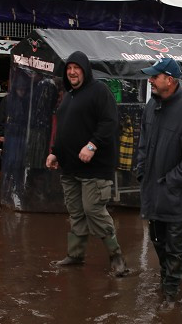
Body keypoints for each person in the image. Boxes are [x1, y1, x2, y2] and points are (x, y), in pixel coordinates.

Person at [46, 51, 129, 276]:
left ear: (85, 69)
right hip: (69, 166)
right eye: (69, 68)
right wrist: (55, 152)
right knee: (75, 211)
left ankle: (117, 257)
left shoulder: (99, 91)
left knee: (93, 209)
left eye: (77, 68)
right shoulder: (69, 95)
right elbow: (64, 129)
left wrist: (92, 145)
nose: (72, 72)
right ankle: (75, 255)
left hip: (94, 166)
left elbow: (110, 121)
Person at [136, 57, 182, 302]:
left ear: (169, 79)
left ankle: (171, 293)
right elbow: (143, 142)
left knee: (176, 246)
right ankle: (168, 279)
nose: (150, 80)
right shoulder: (151, 106)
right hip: (153, 192)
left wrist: (172, 180)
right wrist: (142, 170)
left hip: (177, 195)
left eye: (154, 77)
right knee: (158, 241)